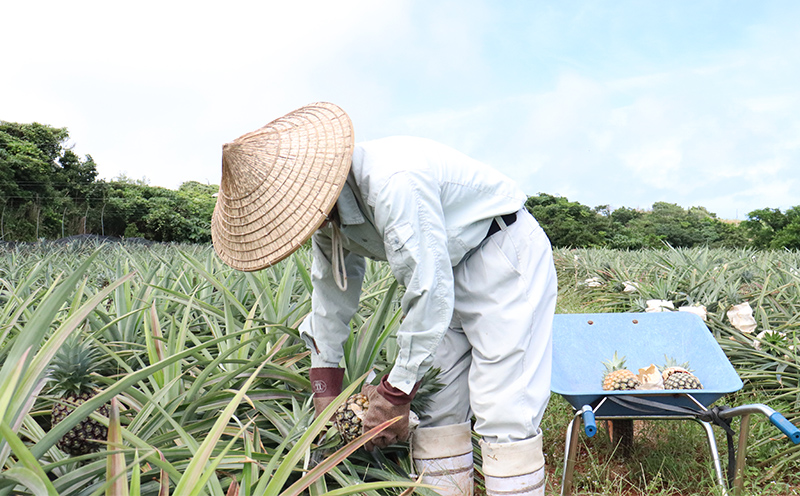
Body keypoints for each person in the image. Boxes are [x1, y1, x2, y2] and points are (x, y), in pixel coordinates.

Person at [211, 102, 557, 496]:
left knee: (504, 409)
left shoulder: (394, 181)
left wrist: (394, 394)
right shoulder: (327, 215)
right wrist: (326, 385)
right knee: (438, 410)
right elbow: (331, 292)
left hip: (500, 257)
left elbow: (428, 287)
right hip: (447, 269)